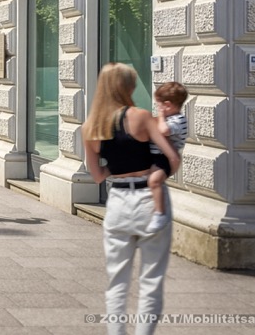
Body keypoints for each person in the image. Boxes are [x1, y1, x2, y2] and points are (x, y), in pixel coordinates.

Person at [84, 63, 181, 335]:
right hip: (149, 200)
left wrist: (116, 167)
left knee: (117, 283)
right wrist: (158, 172)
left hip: (118, 202)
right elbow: (172, 158)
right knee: (151, 281)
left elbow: (97, 176)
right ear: (127, 87)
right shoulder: (141, 117)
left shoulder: (90, 127)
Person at [146, 81, 188, 233]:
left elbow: (164, 130)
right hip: (153, 155)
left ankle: (160, 214)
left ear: (168, 105)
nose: (157, 108)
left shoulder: (179, 120)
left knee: (154, 181)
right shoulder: (168, 118)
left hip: (163, 158)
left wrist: (161, 116)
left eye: (159, 105)